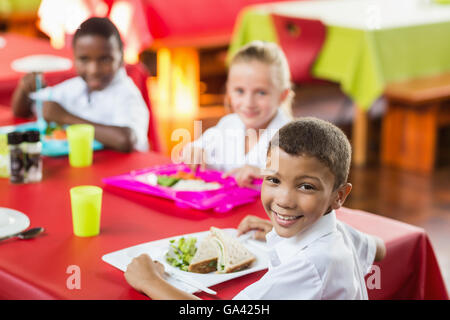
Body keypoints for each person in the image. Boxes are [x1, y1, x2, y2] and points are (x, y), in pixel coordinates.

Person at [124, 117, 387, 300]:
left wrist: (150, 281)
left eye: (306, 187)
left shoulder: (312, 265)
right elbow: (379, 248)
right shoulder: (339, 233)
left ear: (339, 196)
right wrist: (282, 226)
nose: (284, 199)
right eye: (273, 180)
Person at [11, 17, 149, 153]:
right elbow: (23, 111)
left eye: (105, 59)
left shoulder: (127, 93)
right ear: (74, 58)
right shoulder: (75, 87)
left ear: (121, 58)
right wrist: (24, 89)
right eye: (84, 59)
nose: (93, 70)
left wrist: (65, 118)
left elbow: (126, 140)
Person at [177, 40, 294, 187]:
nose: (249, 103)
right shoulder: (228, 124)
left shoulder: (293, 140)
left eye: (261, 92)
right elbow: (201, 146)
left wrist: (268, 176)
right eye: (240, 91)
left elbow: (302, 184)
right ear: (229, 91)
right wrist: (194, 151)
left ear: (282, 96)